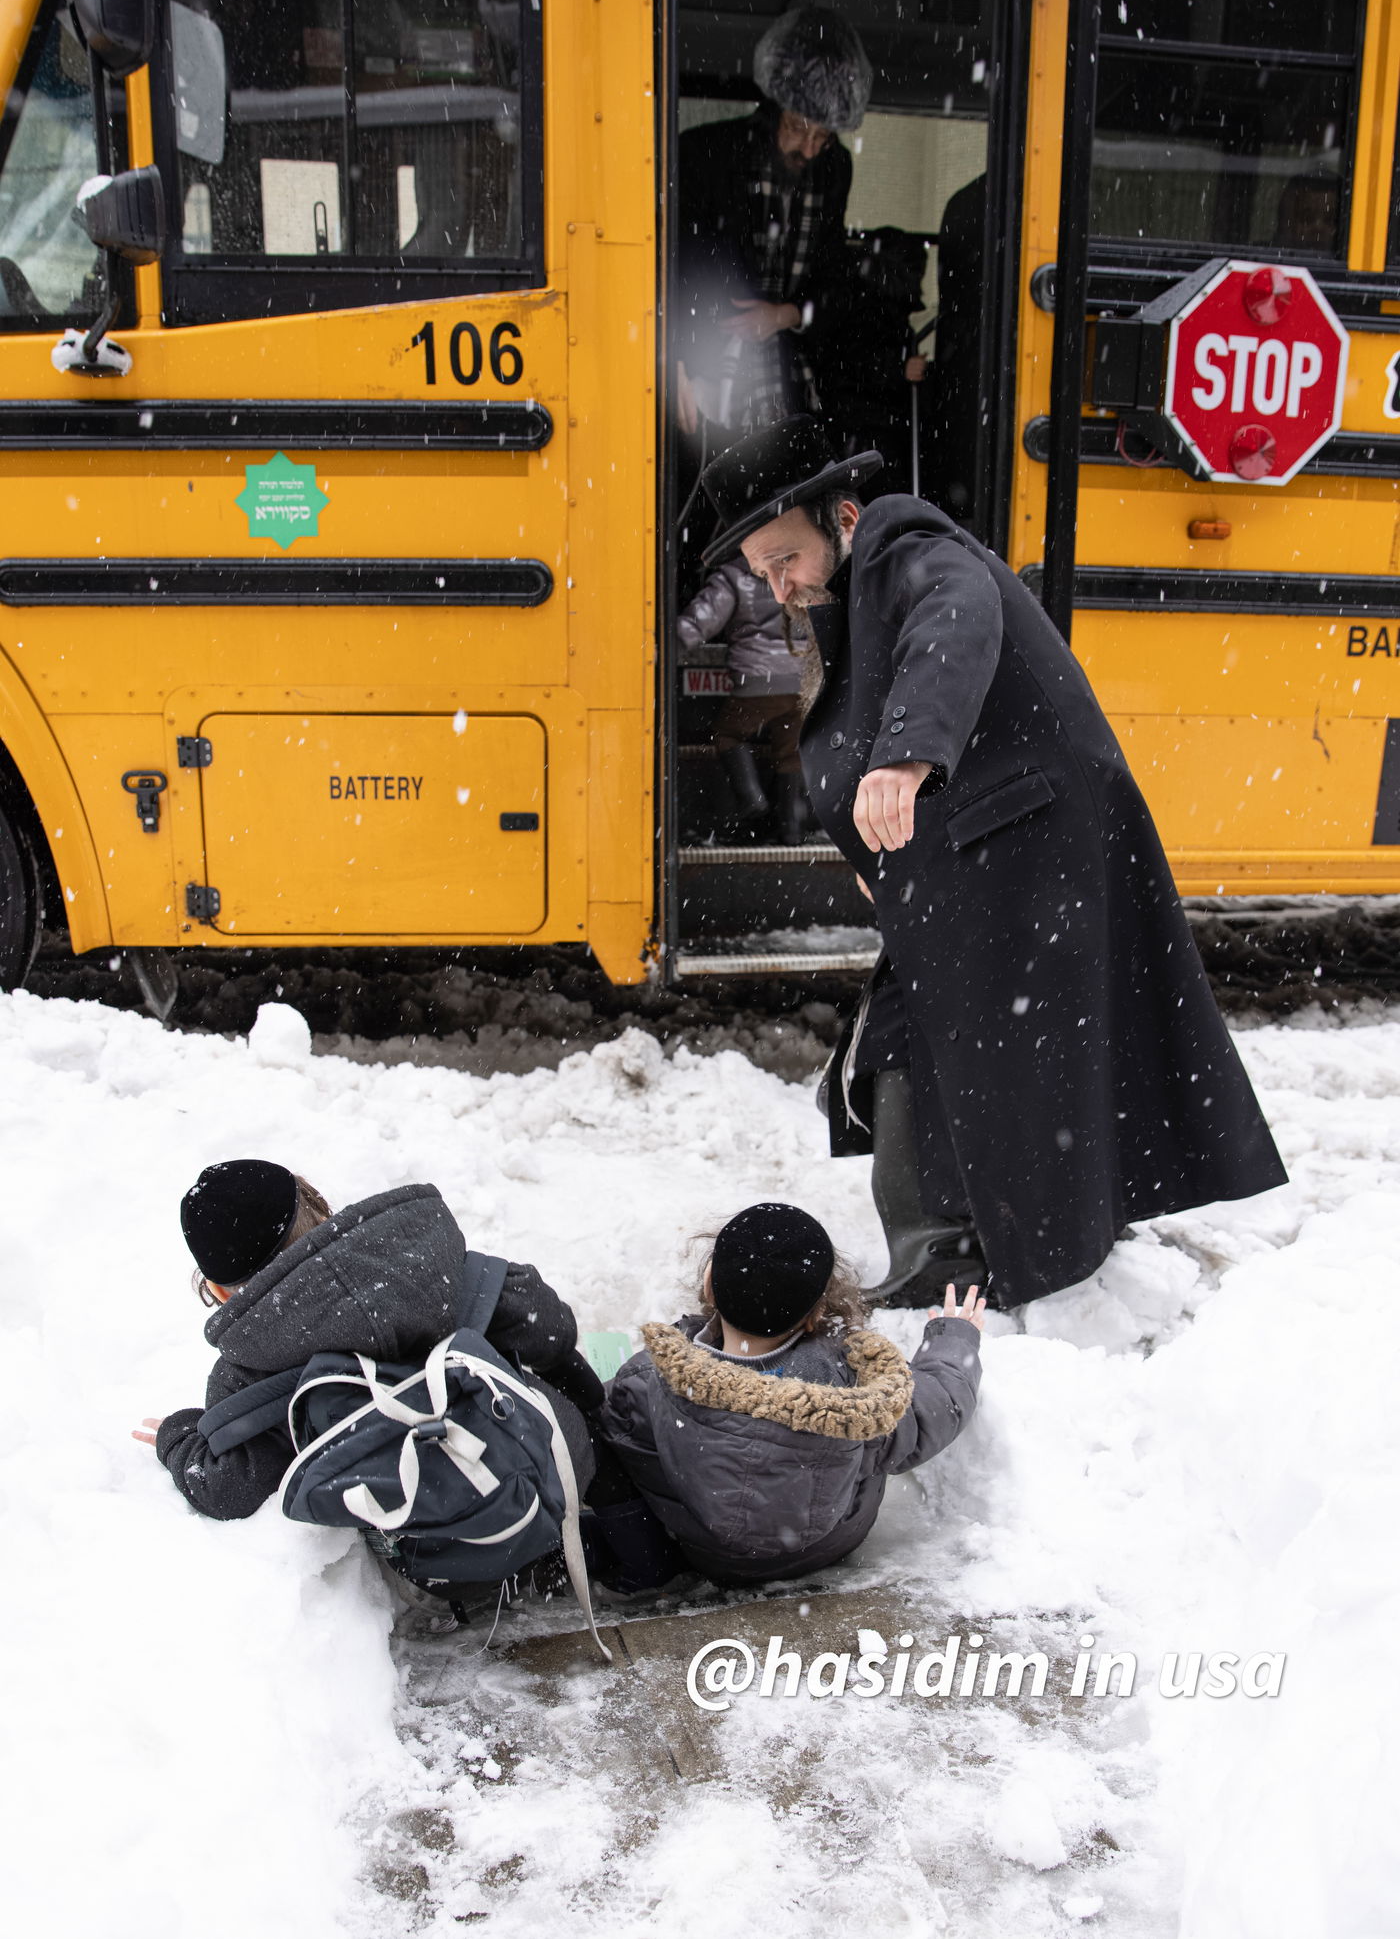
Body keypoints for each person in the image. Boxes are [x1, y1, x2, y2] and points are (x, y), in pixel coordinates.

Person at [694, 417, 1289, 1311]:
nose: (778, 584)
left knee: (963, 1038)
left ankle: (961, 1247)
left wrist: (907, 757)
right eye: (763, 572)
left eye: (784, 558)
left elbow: (955, 618)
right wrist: (878, 844)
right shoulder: (860, 583)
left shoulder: (903, 544)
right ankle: (991, 1231)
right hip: (999, 846)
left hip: (1024, 843)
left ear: (844, 517)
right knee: (981, 1037)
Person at [133, 1160, 666, 1600]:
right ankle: (641, 1552)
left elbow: (227, 1487)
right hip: (548, 1456)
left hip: (443, 1535)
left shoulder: (246, 1371)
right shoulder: (427, 1262)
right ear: (320, 1208)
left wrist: (178, 1436)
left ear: (222, 1292)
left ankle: (529, 1570)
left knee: (464, 1550)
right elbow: (550, 1330)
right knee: (577, 1418)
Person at [598, 1202, 983, 1585]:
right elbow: (939, 1402)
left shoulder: (649, 1378)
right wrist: (953, 1339)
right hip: (831, 1543)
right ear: (818, 1311)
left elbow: (614, 1436)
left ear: (708, 1285)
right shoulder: (857, 1397)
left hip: (707, 1555)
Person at [675, 5, 871, 454]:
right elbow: (671, 268)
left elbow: (833, 275)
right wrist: (676, 361)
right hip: (706, 363)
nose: (809, 148)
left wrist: (785, 315)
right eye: (798, 127)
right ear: (773, 107)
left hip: (790, 376)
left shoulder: (834, 169)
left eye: (823, 137)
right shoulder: (709, 155)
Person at [678, 553, 810, 841]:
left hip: (757, 679)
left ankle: (751, 799)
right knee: (791, 751)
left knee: (728, 733)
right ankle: (792, 827)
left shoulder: (733, 575)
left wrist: (669, 643)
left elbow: (703, 619)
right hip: (802, 680)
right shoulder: (802, 568)